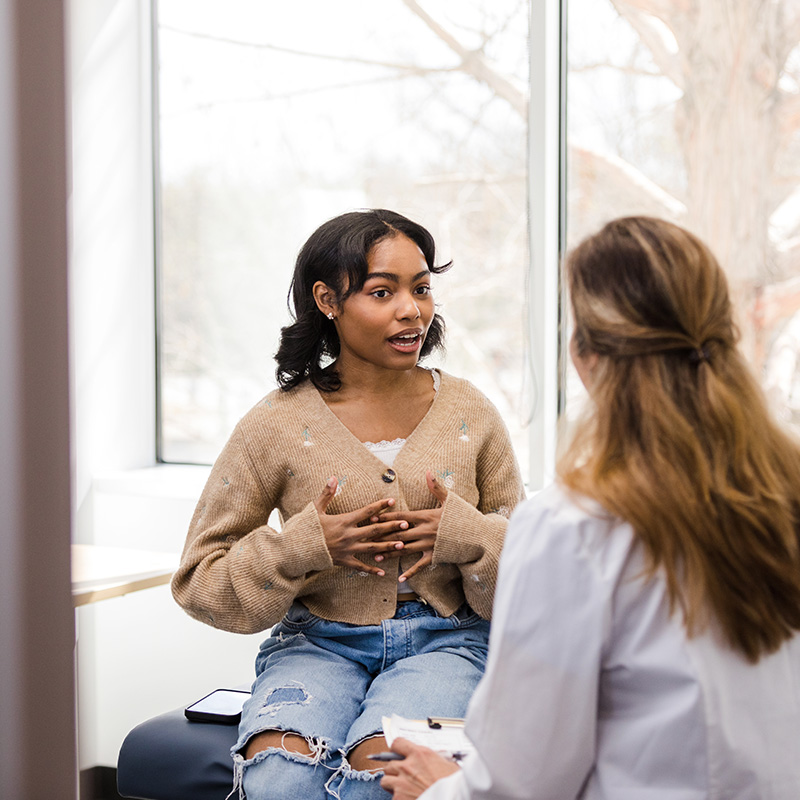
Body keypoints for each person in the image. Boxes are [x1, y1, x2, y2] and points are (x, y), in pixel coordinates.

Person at [381, 216, 800, 800]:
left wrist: (442, 788)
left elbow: (522, 783)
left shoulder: (572, 529)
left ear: (585, 357)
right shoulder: (785, 494)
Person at [171, 208, 525, 799]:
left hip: (447, 640)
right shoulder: (275, 424)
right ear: (328, 301)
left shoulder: (471, 413)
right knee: (279, 781)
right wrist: (305, 548)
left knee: (379, 780)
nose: (411, 309)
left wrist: (469, 537)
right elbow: (199, 579)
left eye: (422, 288)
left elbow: (536, 561)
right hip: (315, 643)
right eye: (382, 292)